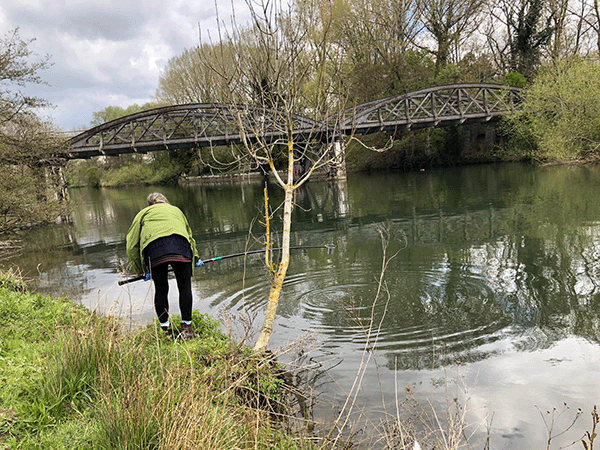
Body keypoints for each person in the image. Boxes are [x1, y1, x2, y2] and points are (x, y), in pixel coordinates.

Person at [126, 192, 201, 340]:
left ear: (150, 204)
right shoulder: (176, 210)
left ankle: (164, 331)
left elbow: (131, 244)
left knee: (161, 290)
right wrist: (196, 257)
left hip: (155, 250)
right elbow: (190, 237)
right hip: (181, 247)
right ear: (165, 202)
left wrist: (141, 269)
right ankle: (188, 330)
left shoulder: (143, 213)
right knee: (185, 287)